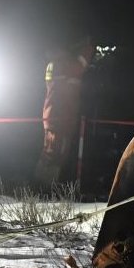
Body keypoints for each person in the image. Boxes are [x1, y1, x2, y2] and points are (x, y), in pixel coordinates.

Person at [34, 35, 95, 188]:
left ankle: (44, 187)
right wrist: (89, 46)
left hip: (57, 116)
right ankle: (42, 188)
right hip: (59, 117)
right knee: (54, 154)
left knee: (54, 153)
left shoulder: (55, 64)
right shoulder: (64, 64)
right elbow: (81, 64)